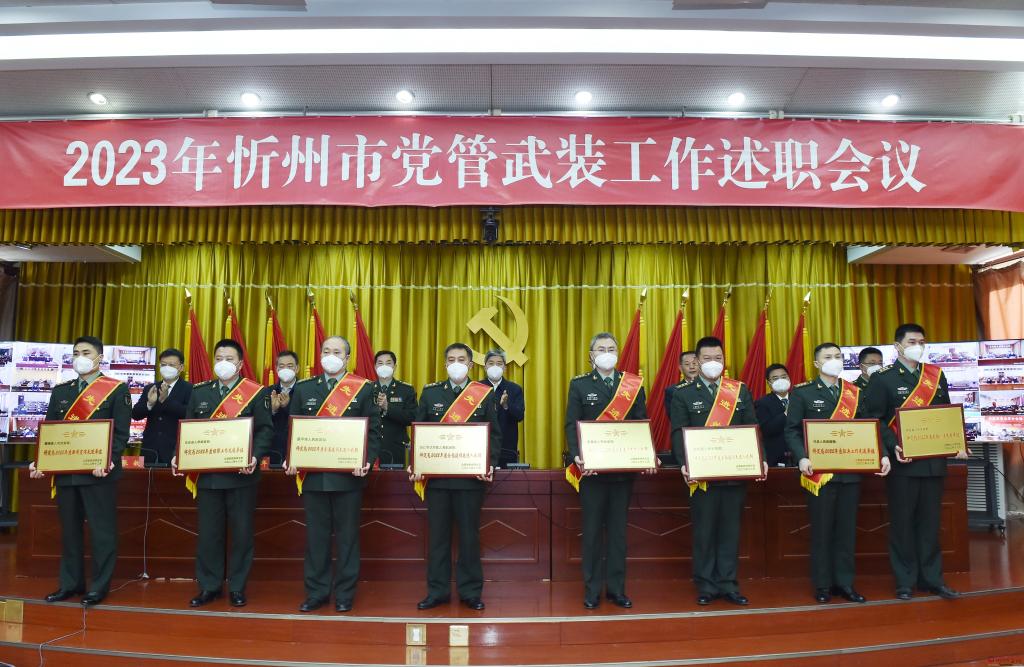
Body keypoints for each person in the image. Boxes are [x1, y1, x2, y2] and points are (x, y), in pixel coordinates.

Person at [861, 323, 966, 601]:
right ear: (898, 346)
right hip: (903, 463)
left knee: (931, 525)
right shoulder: (882, 379)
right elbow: (874, 418)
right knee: (903, 525)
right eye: (911, 341)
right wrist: (892, 444)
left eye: (921, 341)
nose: (917, 346)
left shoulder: (935, 375)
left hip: (933, 462)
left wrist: (955, 441)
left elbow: (945, 413)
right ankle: (905, 581)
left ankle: (933, 579)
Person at [786, 342, 891, 604]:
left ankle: (845, 583)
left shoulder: (854, 393)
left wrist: (882, 454)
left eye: (837, 356)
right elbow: (792, 430)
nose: (834, 360)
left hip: (850, 472)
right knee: (822, 531)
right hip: (819, 474)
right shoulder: (803, 393)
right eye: (828, 357)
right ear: (817, 363)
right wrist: (801, 457)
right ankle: (822, 585)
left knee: (846, 531)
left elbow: (870, 427)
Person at [31, 336, 131, 607]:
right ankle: (70, 584)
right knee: (70, 531)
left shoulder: (117, 390)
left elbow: (121, 434)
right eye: (76, 353)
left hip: (99, 474)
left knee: (102, 532)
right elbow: (51, 431)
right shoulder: (61, 391)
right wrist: (41, 461)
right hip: (67, 473)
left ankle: (99, 587)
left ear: (99, 357)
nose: (80, 357)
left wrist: (108, 460)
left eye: (86, 352)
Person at [284, 336, 382, 613]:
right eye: (326, 350)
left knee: (348, 538)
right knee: (316, 538)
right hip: (314, 477)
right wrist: (292, 457)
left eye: (337, 352)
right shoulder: (304, 388)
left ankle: (345, 594)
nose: (330, 355)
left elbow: (374, 430)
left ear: (347, 358)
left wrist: (366, 460)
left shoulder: (363, 388)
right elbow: (293, 428)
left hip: (348, 477)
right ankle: (316, 592)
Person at [175, 339, 273, 609]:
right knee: (209, 534)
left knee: (242, 534)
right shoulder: (200, 392)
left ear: (240, 364)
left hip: (242, 476)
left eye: (229, 359)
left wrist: (254, 457)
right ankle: (210, 586)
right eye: (219, 358)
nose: (223, 363)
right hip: (209, 477)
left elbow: (265, 431)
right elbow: (189, 428)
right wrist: (179, 454)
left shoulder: (256, 393)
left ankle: (238, 587)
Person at [671, 336, 764, 607]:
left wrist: (760, 458)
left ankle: (728, 583)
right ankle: (706, 585)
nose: (714, 363)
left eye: (718, 358)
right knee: (704, 531)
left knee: (730, 531)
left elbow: (752, 426)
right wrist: (684, 462)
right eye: (708, 358)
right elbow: (678, 432)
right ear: (697, 361)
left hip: (734, 473)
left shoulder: (739, 391)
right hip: (702, 476)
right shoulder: (683, 394)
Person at [411, 343, 501, 611]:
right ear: (445, 364)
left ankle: (470, 592)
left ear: (471, 364)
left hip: (471, 480)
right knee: (438, 538)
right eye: (451, 359)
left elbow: (495, 435)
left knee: (469, 538)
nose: (456, 363)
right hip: (437, 480)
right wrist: (416, 463)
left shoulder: (482, 393)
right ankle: (437, 591)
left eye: (462, 359)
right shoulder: (430, 393)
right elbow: (419, 431)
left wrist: (490, 464)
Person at [565, 333, 650, 610]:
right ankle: (592, 590)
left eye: (611, 348)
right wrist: (577, 455)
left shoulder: (632, 385)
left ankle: (616, 589)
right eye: (600, 349)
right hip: (592, 473)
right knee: (591, 533)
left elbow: (640, 423)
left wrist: (645, 454)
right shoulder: (579, 384)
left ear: (618, 353)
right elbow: (572, 423)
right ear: (591, 355)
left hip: (622, 473)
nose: (606, 353)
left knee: (618, 534)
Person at [132, 348, 192, 465]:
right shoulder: (150, 388)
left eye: (171, 365)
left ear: (181, 367)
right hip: (150, 450)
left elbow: (189, 414)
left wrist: (166, 401)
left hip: (175, 450)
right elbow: (135, 414)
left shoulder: (190, 389)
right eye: (164, 365)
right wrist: (149, 404)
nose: (167, 368)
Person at [371, 350, 417, 466]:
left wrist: (388, 407)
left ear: (395, 366)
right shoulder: (367, 388)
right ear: (375, 367)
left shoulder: (406, 390)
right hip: (371, 449)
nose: (384, 366)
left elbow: (413, 418)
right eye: (380, 363)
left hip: (396, 449)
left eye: (388, 363)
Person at [484, 349, 526, 467]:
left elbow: (520, 416)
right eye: (491, 363)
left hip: (507, 448)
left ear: (505, 368)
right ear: (485, 367)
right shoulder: (476, 388)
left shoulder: (514, 389)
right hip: (481, 447)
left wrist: (506, 405)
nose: (495, 367)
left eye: (499, 364)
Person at [755, 363, 792, 467]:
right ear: (769, 383)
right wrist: (786, 413)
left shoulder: (799, 399)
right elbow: (767, 429)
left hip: (800, 455)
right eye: (775, 378)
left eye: (784, 377)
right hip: (776, 457)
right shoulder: (762, 403)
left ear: (789, 379)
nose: (781, 380)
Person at [268, 349, 300, 465]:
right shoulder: (267, 391)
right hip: (273, 450)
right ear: (276, 369)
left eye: (290, 366)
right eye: (281, 366)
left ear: (297, 368)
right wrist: (273, 410)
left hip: (297, 448)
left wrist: (288, 406)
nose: (285, 369)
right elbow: (260, 423)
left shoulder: (305, 390)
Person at [664, 351, 698, 416]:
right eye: (687, 364)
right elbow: (674, 416)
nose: (692, 367)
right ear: (681, 368)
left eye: (694, 363)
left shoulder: (711, 387)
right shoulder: (672, 391)